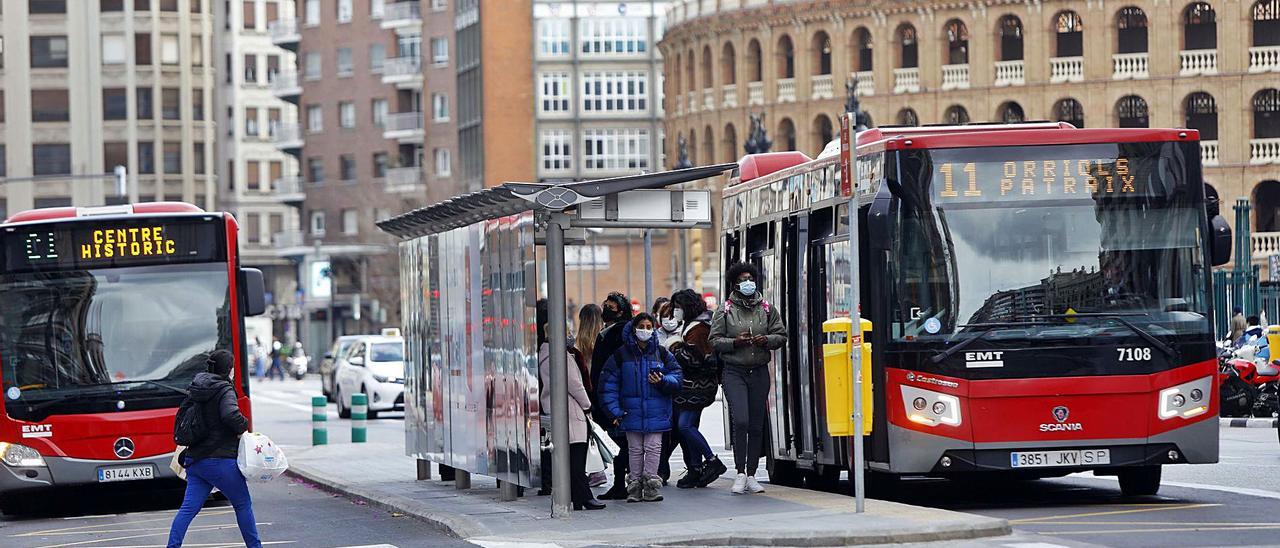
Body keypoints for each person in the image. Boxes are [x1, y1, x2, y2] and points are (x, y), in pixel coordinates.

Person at [168, 350, 261, 548]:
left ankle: (172, 546)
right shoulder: (224, 388)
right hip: (219, 460)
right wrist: (243, 424)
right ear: (228, 369)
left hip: (196, 460)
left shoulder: (197, 386)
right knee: (243, 504)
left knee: (187, 509)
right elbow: (230, 415)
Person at [711, 262, 787, 495]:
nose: (748, 283)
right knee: (741, 420)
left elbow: (781, 335)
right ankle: (740, 472)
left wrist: (768, 340)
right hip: (734, 372)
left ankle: (752, 473)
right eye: (743, 279)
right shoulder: (724, 310)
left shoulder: (766, 308)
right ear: (735, 283)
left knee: (756, 423)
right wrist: (736, 342)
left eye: (751, 279)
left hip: (759, 371)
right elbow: (714, 341)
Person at [600, 314, 683, 503]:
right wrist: (614, 412)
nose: (645, 330)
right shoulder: (621, 355)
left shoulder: (662, 353)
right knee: (635, 449)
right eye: (641, 326)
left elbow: (677, 377)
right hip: (630, 412)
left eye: (649, 326)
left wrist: (663, 381)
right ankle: (635, 486)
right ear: (633, 328)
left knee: (654, 448)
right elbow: (608, 384)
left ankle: (651, 485)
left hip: (656, 412)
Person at [535, 300, 605, 511]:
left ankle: (578, 496)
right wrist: (587, 405)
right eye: (566, 332)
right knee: (576, 457)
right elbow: (575, 384)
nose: (569, 335)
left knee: (569, 457)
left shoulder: (543, 355)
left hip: (557, 411)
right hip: (572, 411)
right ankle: (583, 496)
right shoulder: (560, 356)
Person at [667, 289, 728, 488]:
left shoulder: (699, 328)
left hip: (696, 389)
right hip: (692, 388)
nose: (675, 311)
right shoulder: (695, 325)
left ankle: (711, 461)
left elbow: (695, 360)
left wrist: (674, 346)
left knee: (684, 426)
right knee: (689, 427)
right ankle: (695, 468)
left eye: (678, 307)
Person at [590, 292, 635, 500]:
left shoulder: (619, 333)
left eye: (612, 306)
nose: (607, 308)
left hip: (615, 395)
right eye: (605, 304)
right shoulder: (608, 331)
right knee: (622, 440)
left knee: (624, 440)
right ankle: (624, 481)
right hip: (606, 393)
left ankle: (623, 482)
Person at [573, 304, 608, 487]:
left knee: (590, 433)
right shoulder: (603, 340)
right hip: (604, 392)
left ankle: (596, 471)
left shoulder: (578, 344)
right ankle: (599, 469)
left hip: (587, 392)